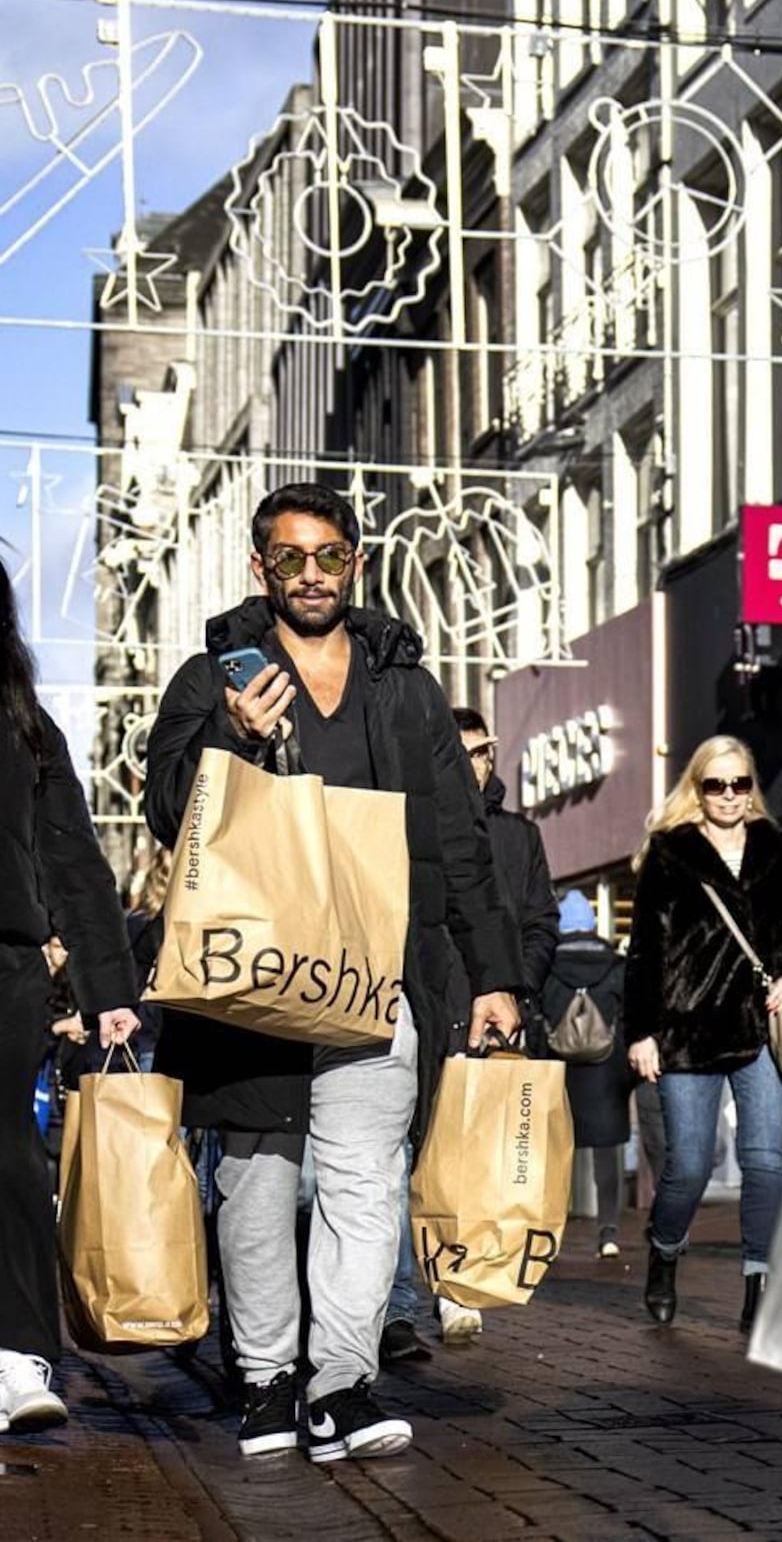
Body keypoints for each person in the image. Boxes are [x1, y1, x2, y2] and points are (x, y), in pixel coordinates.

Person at [143, 483, 522, 1465]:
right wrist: (230, 732)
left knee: (365, 1181)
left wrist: (493, 973)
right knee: (258, 1179)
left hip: (381, 967)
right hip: (251, 967)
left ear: (356, 562)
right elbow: (168, 811)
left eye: (329, 556)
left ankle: (339, 1382)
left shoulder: (406, 685)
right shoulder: (212, 676)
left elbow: (458, 836)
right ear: (261, 567)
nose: (310, 574)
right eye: (290, 557)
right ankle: (267, 1377)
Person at [0, 562, 141, 1434]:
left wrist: (109, 986)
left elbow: (73, 859)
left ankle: (18, 1354)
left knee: (7, 1150)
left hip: (5, 963)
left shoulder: (25, 723)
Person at [623, 737, 782, 1336]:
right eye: (716, 785)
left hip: (761, 1027)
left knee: (765, 1161)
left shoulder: (776, 848)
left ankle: (760, 1282)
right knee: (688, 1166)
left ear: (751, 788)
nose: (729, 795)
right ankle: (665, 1249)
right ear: (697, 788)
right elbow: (645, 953)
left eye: (740, 784)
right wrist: (642, 1032)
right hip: (687, 1030)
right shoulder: (670, 852)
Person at [383, 707, 558, 1359]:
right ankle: (398, 1307)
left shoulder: (517, 837)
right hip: (423, 1007)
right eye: (459, 753)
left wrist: (514, 985)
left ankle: (459, 1283)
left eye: (481, 752)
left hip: (489, 1018)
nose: (472, 764)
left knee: (472, 1156)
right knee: (405, 1154)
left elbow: (540, 922)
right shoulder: (409, 826)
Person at [542, 889, 632, 1258]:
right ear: (592, 925)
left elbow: (536, 1018)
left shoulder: (547, 966)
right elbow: (628, 1019)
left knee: (554, 1151)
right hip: (606, 1072)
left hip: (559, 1071)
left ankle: (548, 1232)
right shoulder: (616, 965)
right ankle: (608, 1232)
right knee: (606, 1152)